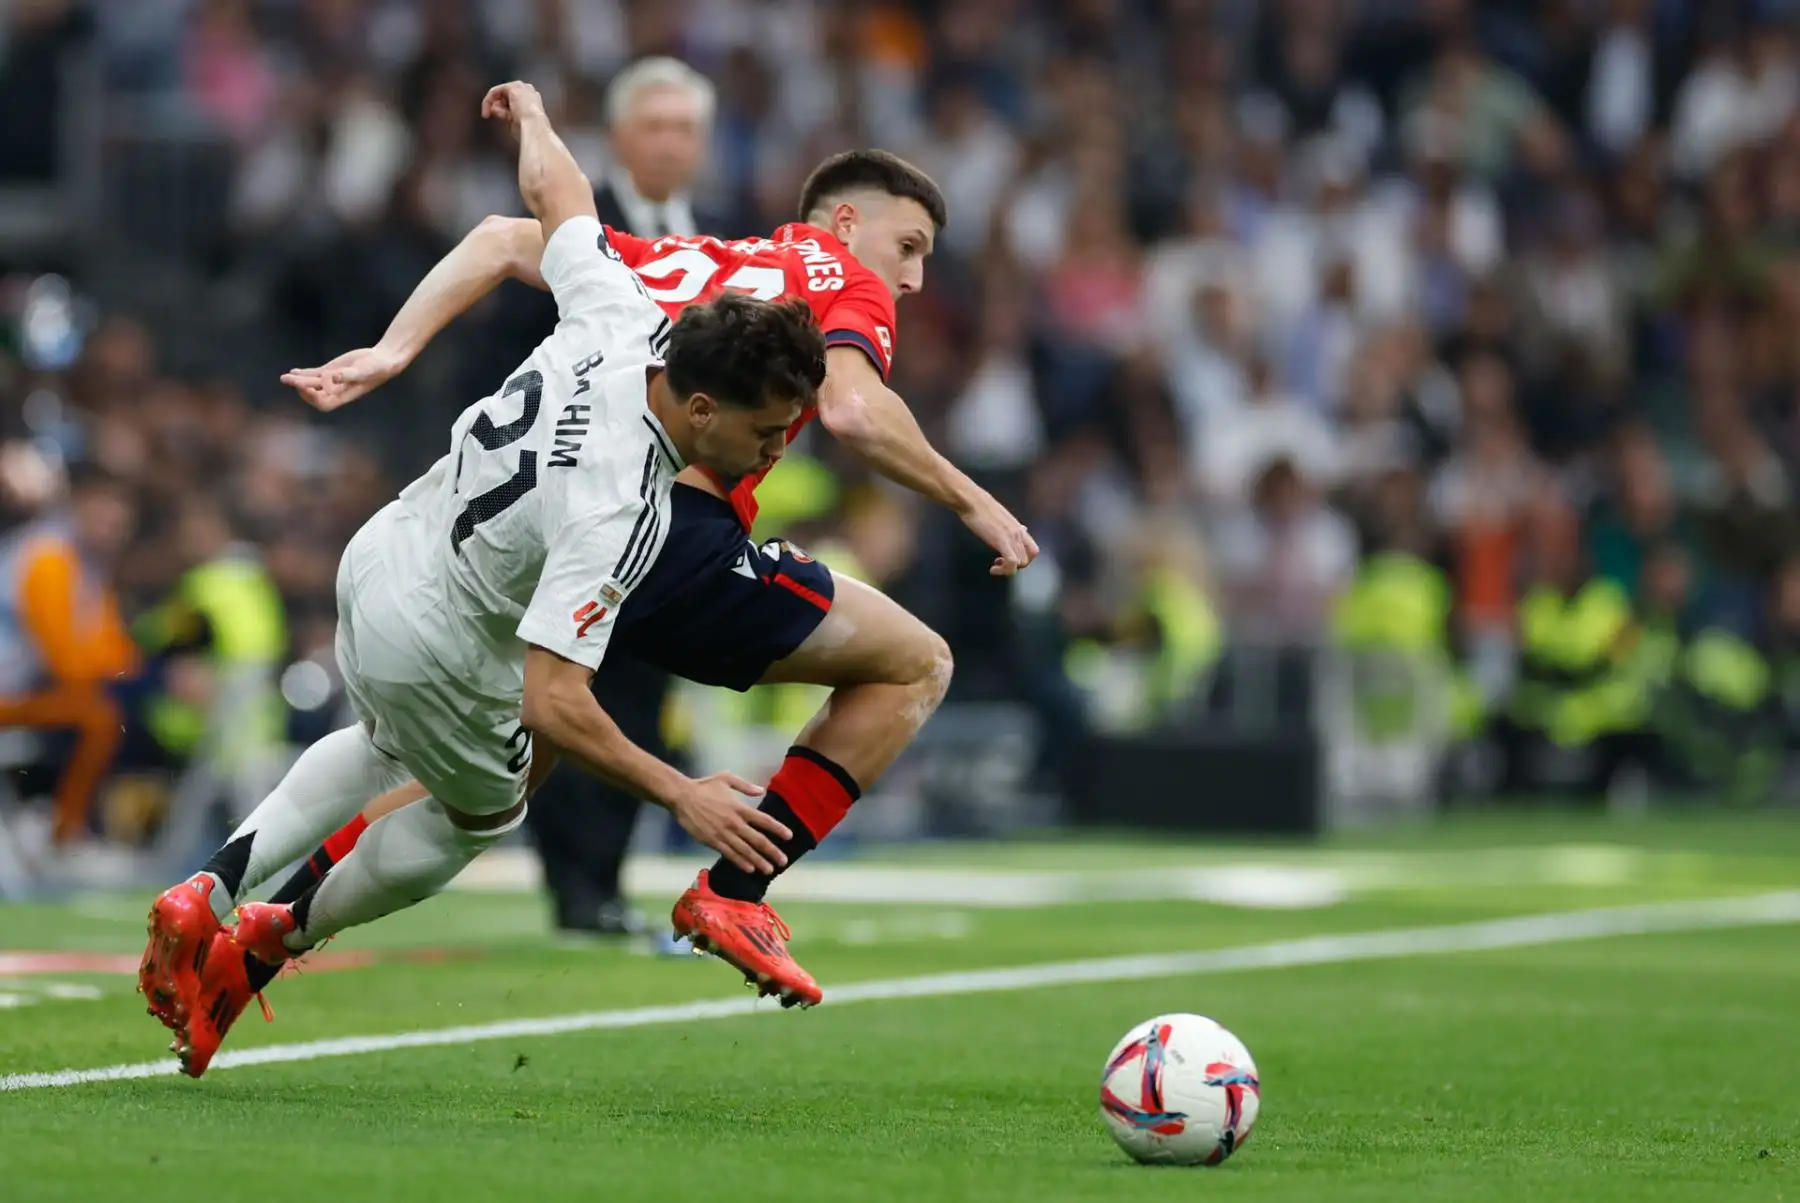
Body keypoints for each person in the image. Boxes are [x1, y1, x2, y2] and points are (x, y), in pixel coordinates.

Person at [193, 145, 1038, 1042]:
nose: (910, 278)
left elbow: (501, 240)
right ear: (842, 223)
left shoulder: (696, 261)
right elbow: (856, 411)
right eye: (908, 247)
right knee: (916, 663)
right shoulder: (840, 279)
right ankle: (735, 891)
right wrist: (975, 500)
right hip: (657, 528)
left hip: (532, 534)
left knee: (494, 774)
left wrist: (393, 351)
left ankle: (252, 935)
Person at [136, 81, 827, 1079]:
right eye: (765, 434)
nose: (770, 454)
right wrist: (683, 794)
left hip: (379, 563)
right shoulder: (625, 506)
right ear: (708, 406)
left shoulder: (621, 311)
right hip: (442, 645)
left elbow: (559, 201)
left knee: (379, 742)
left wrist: (537, 121)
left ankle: (209, 884)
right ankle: (268, 941)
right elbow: (556, 703)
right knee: (485, 812)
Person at [510, 56, 730, 941]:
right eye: (656, 126)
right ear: (618, 136)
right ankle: (570, 882)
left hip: (670, 511)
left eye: (686, 128)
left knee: (637, 693)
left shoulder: (721, 248)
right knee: (563, 686)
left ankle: (597, 880)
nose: (671, 143)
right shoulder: (571, 231)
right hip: (572, 499)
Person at [0, 463, 139, 844]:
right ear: (78, 506)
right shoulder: (48, 558)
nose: (113, 532)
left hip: (26, 688)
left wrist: (121, 670)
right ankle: (65, 835)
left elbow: (115, 650)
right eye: (104, 518)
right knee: (99, 719)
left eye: (120, 524)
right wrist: (115, 671)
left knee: (119, 704)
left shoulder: (85, 563)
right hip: (12, 689)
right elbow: (62, 658)